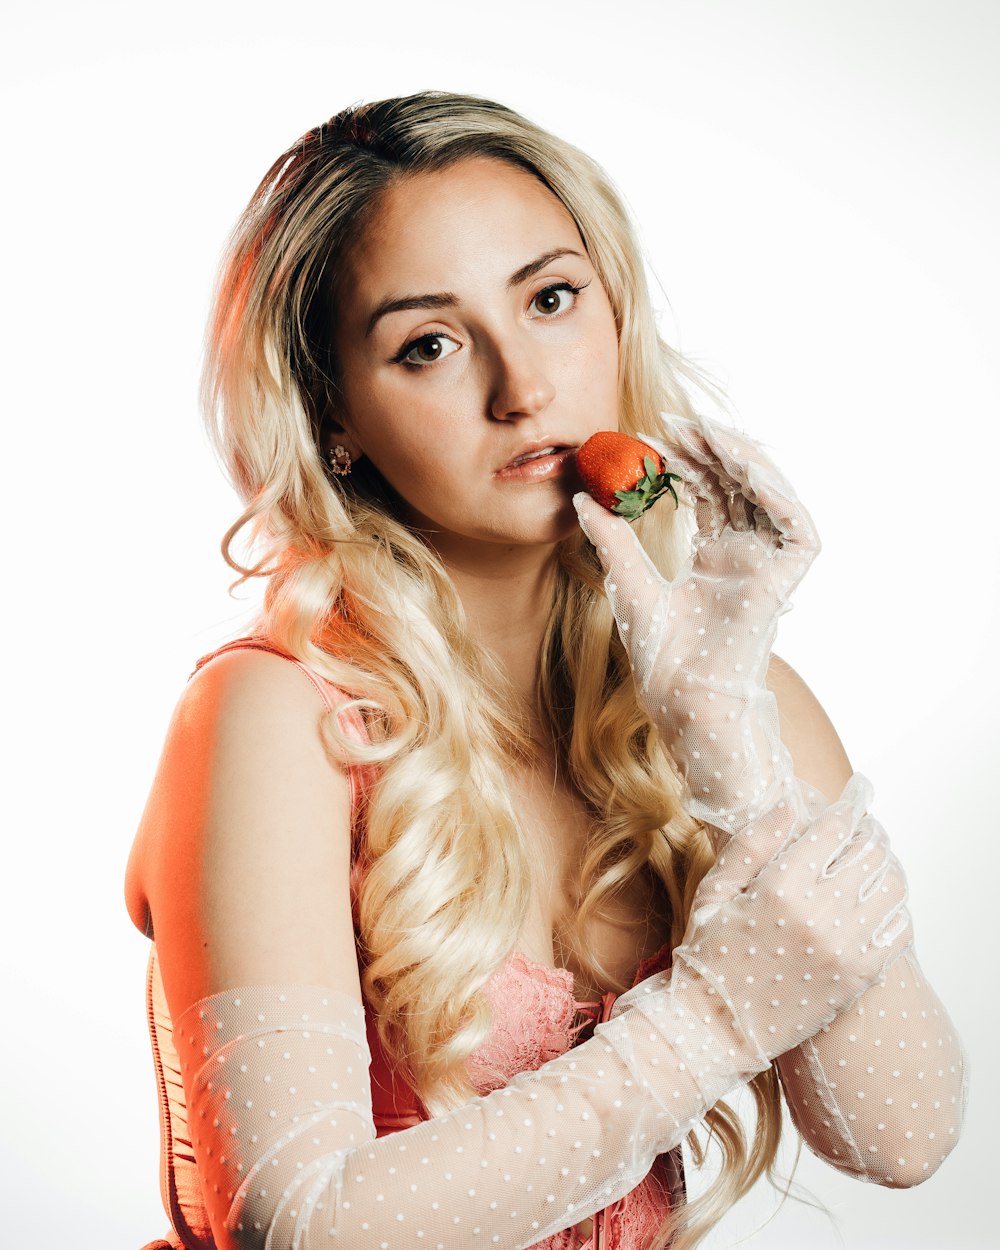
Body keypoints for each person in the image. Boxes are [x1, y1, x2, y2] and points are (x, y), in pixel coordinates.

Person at [125, 91, 966, 1250]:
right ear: (335, 416)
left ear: (613, 309)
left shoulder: (730, 696)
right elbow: (300, 1224)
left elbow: (902, 1134)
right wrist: (713, 1013)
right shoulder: (277, 714)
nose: (522, 386)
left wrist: (735, 761)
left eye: (550, 298)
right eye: (428, 343)